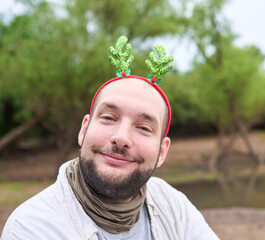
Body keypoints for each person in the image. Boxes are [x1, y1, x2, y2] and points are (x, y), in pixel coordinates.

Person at [1, 36, 219, 240]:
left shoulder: (174, 206)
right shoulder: (31, 227)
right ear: (84, 129)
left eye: (143, 128)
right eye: (108, 118)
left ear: (162, 152)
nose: (121, 137)